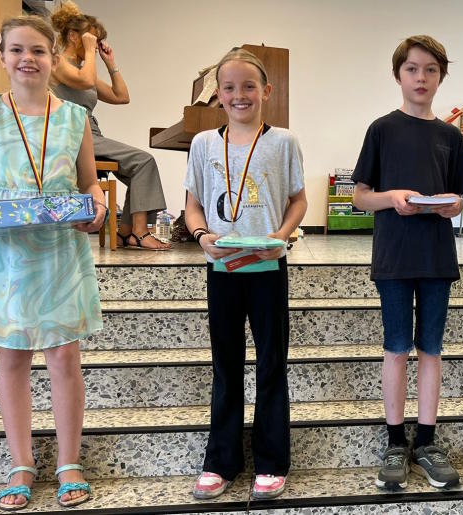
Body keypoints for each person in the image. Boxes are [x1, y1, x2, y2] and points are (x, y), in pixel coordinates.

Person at [0, 15, 106, 511]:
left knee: (64, 357)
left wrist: (98, 205)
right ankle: (21, 463)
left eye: (38, 50)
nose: (27, 59)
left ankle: (69, 462)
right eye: (16, 50)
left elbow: (89, 182)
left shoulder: (75, 117)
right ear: (2, 57)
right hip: (5, 250)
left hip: (59, 245)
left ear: (54, 57)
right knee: (12, 357)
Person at [184, 47, 307, 500]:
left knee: (272, 362)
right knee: (226, 364)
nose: (240, 95)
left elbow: (299, 200)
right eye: (230, 87)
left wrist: (282, 235)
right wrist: (201, 236)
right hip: (222, 267)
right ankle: (221, 461)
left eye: (249, 86)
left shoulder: (284, 142)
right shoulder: (203, 144)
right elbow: (193, 204)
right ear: (218, 94)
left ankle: (272, 461)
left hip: (267, 266)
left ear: (266, 91)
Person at [352, 35, 463, 491]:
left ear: (441, 77)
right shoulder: (382, 129)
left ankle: (427, 441)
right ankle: (395, 442)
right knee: (397, 347)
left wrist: (453, 205)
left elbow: (460, 195)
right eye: (412, 69)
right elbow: (361, 197)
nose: (421, 78)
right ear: (398, 75)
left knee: (431, 349)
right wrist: (392, 197)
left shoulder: (450, 136)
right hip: (395, 257)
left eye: (431, 70)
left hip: (437, 256)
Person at [50, 1, 170, 250]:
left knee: (138, 166)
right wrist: (89, 51)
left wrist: (110, 62)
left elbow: (121, 96)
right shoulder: (58, 63)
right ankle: (139, 232)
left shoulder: (86, 69)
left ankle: (125, 232)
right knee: (143, 161)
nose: (95, 45)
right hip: (71, 134)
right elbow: (85, 81)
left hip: (91, 133)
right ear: (73, 36)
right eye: (92, 39)